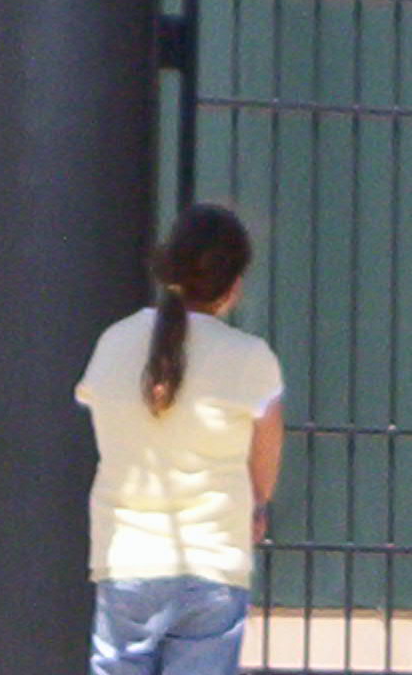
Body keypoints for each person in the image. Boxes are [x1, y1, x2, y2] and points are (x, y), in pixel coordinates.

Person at [77, 203, 284, 675]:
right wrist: (258, 502)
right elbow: (269, 442)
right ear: (233, 287)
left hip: (126, 557)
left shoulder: (115, 341)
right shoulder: (251, 358)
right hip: (213, 557)